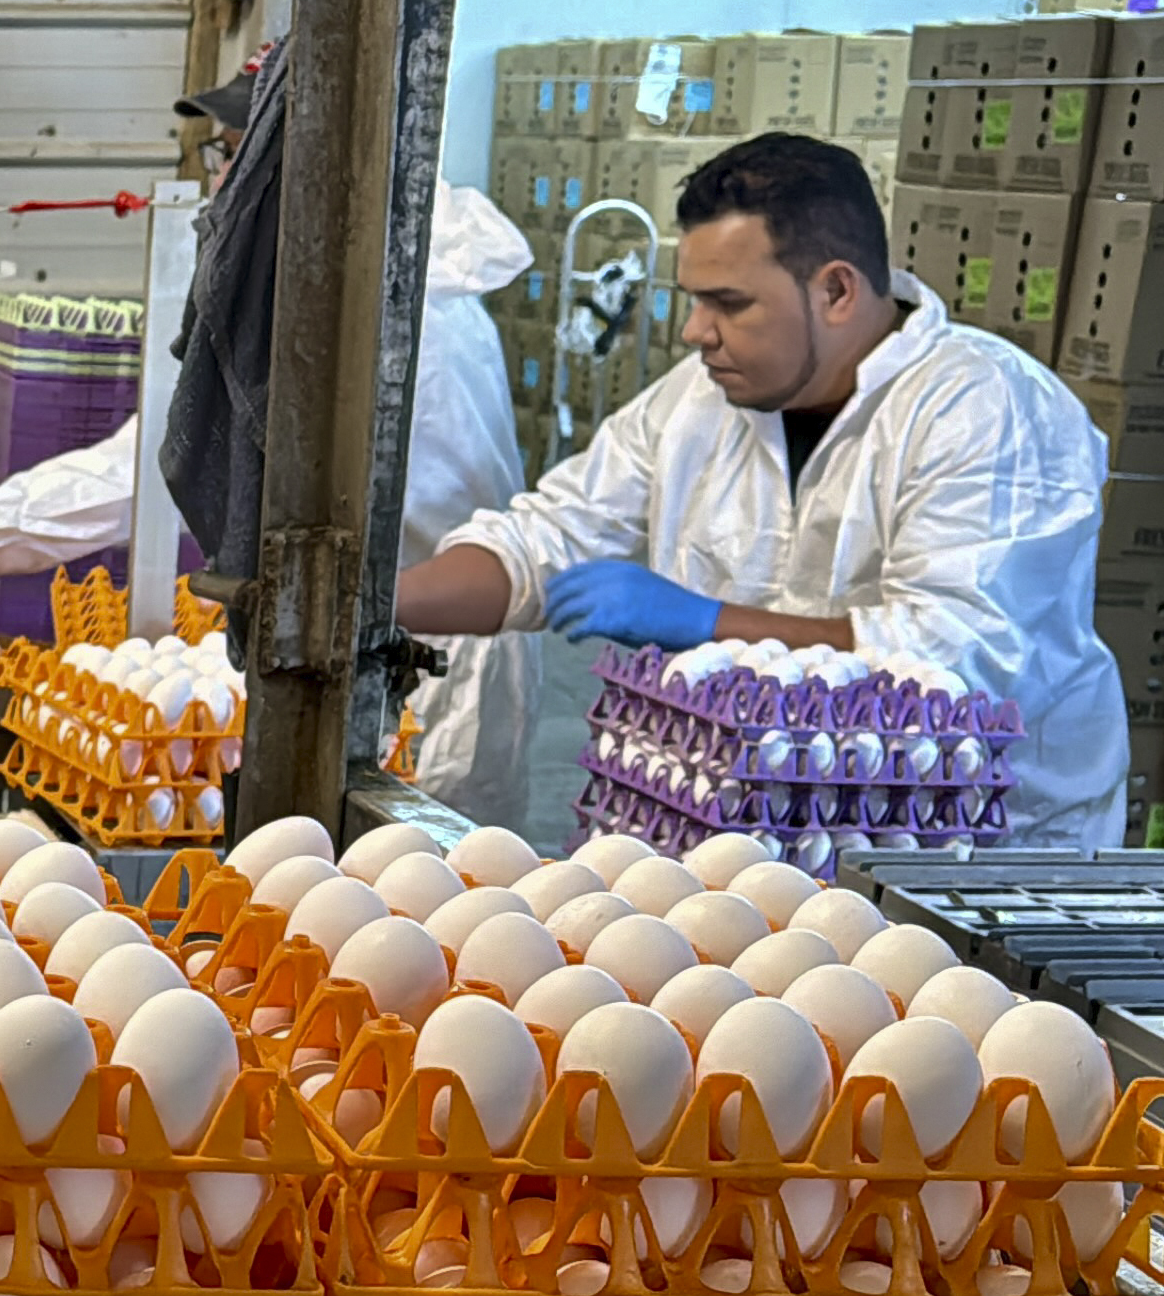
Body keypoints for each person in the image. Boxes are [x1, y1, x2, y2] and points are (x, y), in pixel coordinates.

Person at [0, 82, 549, 827]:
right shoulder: (352, 282)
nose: (216, 183)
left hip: (418, 687)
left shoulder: (385, 317)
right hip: (359, 658)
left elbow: (154, 467)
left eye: (232, 157)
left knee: (410, 911)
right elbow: (164, 456)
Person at [398, 132, 1123, 846]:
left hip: (955, 847)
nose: (694, 332)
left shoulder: (987, 410)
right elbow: (546, 536)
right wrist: (375, 607)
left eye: (728, 303)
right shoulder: (701, 401)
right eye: (692, 300)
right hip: (744, 823)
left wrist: (706, 623)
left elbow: (949, 669)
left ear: (835, 290)